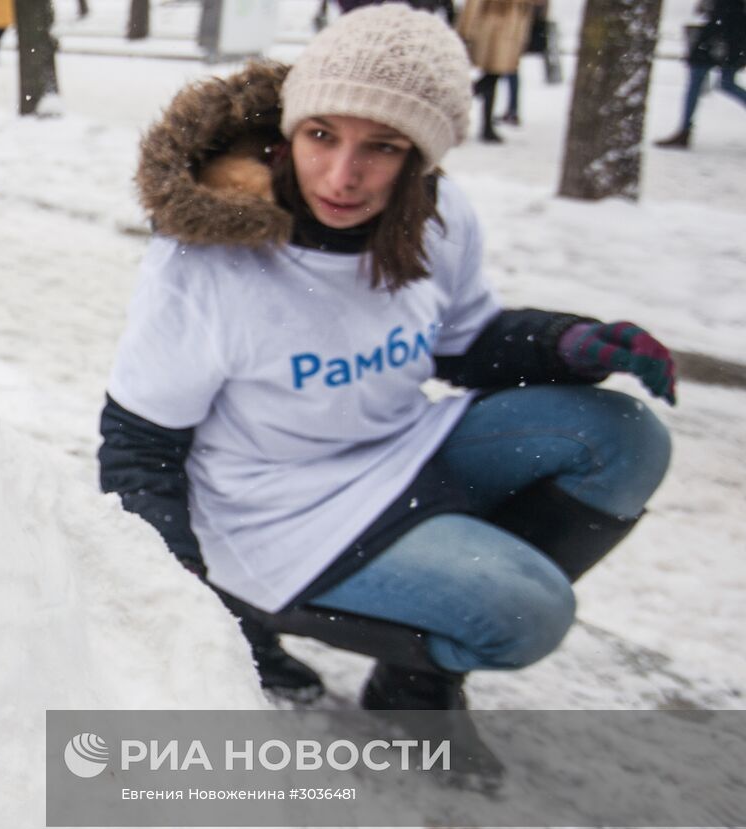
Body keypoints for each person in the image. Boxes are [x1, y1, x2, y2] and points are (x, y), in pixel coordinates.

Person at [99, 6, 674, 769]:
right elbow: (140, 446)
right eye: (322, 135)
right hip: (276, 511)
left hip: (400, 451)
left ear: (421, 159)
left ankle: (418, 666)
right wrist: (185, 604)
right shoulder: (210, 263)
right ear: (290, 129)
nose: (344, 175)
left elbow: (464, 345)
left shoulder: (437, 218)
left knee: (625, 438)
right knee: (531, 612)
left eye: (384, 147)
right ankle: (282, 615)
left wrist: (568, 342)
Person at [655, 0, 746, 149]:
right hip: (727, 33)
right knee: (716, 82)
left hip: (727, 33)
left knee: (716, 82)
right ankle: (684, 130)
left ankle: (684, 130)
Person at [458, 0, 545, 142]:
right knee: (492, 76)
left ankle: (486, 125)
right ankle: (461, 100)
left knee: (493, 77)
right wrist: (466, 32)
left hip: (504, 30)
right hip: (495, 30)